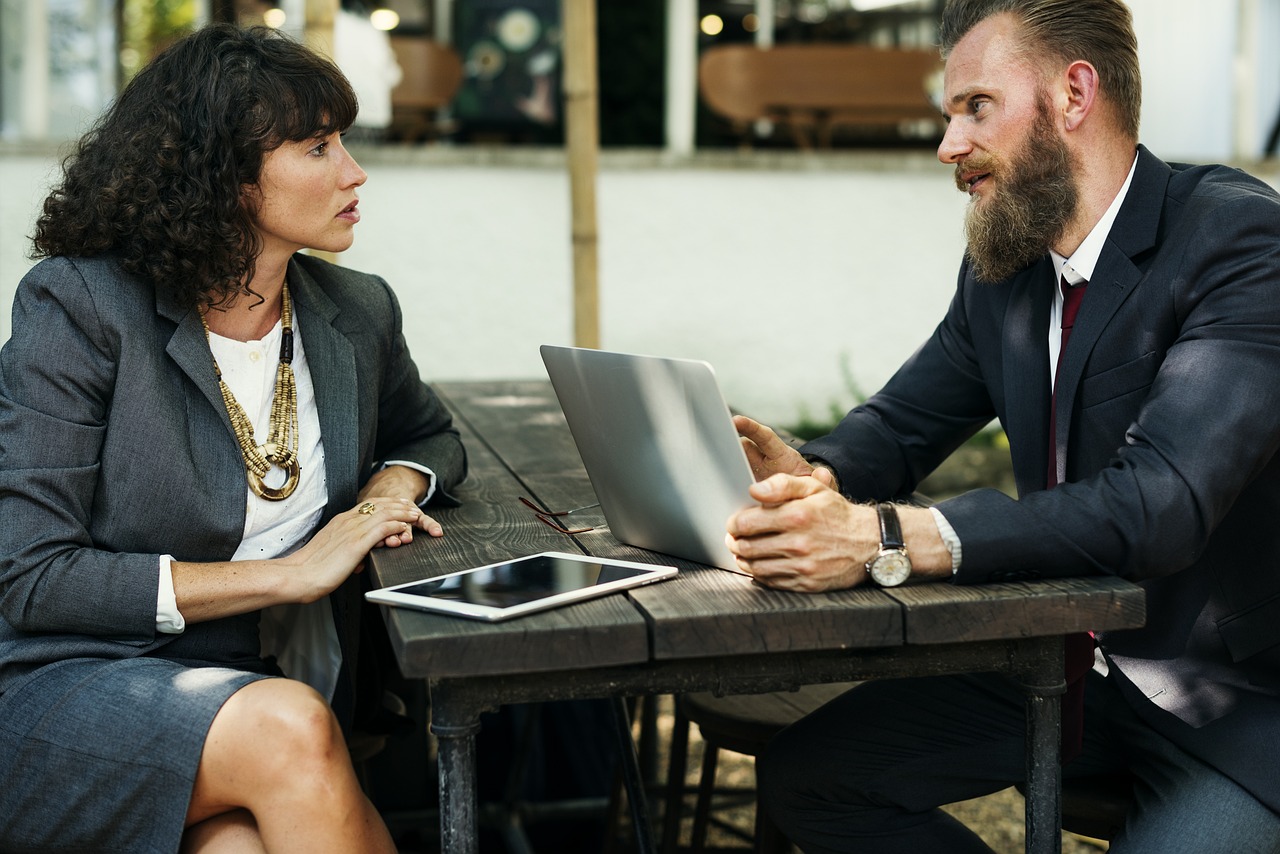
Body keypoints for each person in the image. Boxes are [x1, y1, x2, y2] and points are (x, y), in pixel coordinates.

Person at [725, 0, 1280, 851]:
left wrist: (888, 538)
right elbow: (904, 424)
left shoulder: (1239, 240)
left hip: (1232, 705)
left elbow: (1160, 504)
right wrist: (810, 472)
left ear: (1074, 94)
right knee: (813, 779)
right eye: (949, 115)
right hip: (1061, 666)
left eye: (975, 107)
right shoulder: (1007, 263)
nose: (947, 146)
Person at [0, 24, 467, 853]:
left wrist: (385, 497)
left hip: (251, 691)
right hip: (67, 678)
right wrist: (283, 576)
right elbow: (32, 578)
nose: (355, 172)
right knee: (292, 730)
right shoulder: (79, 308)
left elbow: (427, 433)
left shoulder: (354, 311)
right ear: (223, 174)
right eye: (318, 146)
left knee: (242, 847)